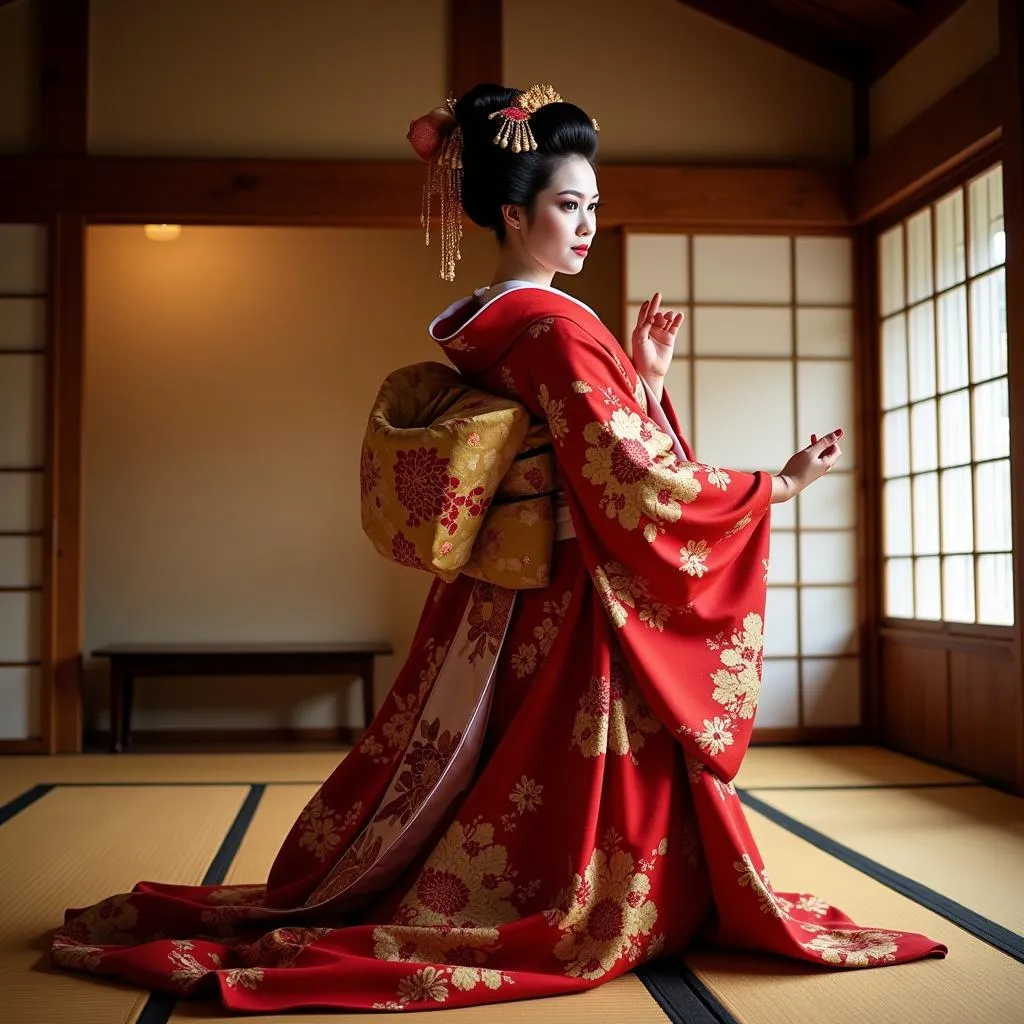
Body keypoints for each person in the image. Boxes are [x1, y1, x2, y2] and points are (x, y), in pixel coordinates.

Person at [51, 82, 946, 1013]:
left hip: (510, 593)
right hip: (575, 596)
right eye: (568, 205)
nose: (589, 223)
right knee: (568, 788)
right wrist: (779, 486)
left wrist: (639, 379)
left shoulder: (494, 320)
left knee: (490, 770)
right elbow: (634, 480)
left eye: (596, 204)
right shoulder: (556, 328)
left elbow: (593, 442)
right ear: (514, 212)